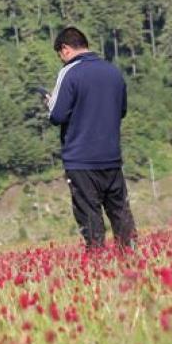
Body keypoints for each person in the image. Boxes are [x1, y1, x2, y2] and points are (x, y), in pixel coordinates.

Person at [45, 27, 137, 250]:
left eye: (60, 55)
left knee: (90, 218)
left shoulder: (69, 73)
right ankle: (132, 259)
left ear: (65, 49)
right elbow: (121, 110)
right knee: (120, 215)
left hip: (81, 160)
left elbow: (56, 115)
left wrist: (50, 103)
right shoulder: (112, 71)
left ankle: (98, 267)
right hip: (111, 157)